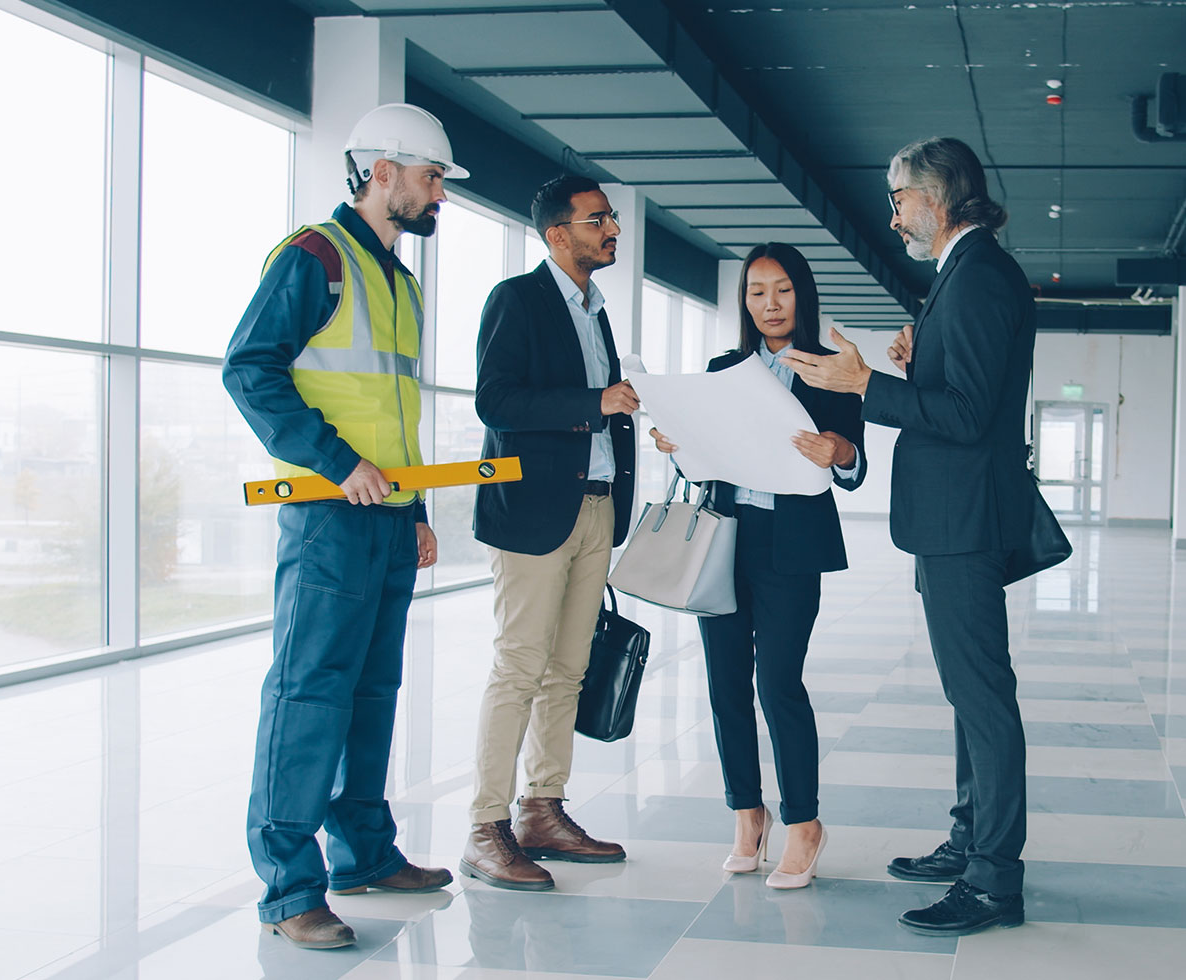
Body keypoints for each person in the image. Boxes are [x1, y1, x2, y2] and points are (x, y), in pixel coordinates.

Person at [222, 102, 464, 950]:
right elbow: (249, 370)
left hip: (388, 518)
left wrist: (418, 508)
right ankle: (289, 888)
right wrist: (334, 463)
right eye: (433, 178)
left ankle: (363, 852)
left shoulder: (398, 279)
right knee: (308, 695)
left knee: (371, 692)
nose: (440, 194)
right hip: (328, 515)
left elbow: (394, 412)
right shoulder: (314, 259)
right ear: (383, 172)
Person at [783, 136, 1035, 935]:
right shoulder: (963, 275)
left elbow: (965, 417)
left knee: (983, 697)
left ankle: (994, 880)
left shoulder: (980, 276)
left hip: (962, 519)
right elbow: (966, 391)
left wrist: (866, 384)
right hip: (951, 516)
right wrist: (914, 361)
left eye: (899, 198)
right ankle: (970, 842)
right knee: (970, 695)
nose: (892, 215)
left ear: (938, 198)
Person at [648, 241, 866, 890]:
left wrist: (836, 449)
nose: (768, 304)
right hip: (724, 538)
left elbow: (852, 463)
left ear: (801, 294)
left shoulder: (832, 368)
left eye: (781, 290)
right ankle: (747, 815)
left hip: (790, 543)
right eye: (755, 291)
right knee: (723, 689)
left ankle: (803, 824)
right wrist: (676, 445)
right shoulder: (723, 366)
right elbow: (702, 460)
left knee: (777, 685)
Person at [464, 174, 638, 890]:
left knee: (568, 668)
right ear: (558, 233)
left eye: (611, 219)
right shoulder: (518, 299)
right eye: (598, 220)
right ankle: (485, 825)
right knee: (519, 666)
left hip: (594, 505)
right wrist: (594, 401)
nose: (612, 230)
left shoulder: (595, 312)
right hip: (533, 512)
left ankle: (543, 807)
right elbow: (495, 400)